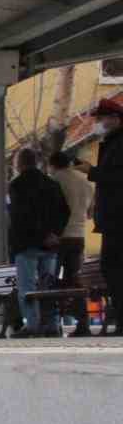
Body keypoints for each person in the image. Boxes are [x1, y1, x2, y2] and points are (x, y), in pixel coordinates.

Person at [7, 147, 70, 338]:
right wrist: (54, 234)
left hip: (27, 245)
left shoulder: (17, 185)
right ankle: (51, 325)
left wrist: (41, 234)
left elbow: (21, 215)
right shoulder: (51, 184)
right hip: (50, 246)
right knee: (48, 286)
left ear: (19, 164)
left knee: (27, 287)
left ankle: (32, 325)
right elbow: (64, 211)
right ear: (36, 162)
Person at [74, 98, 123, 331]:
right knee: (111, 268)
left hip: (118, 218)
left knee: (114, 267)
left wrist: (91, 171)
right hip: (113, 218)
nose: (98, 123)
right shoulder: (112, 142)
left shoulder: (119, 143)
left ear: (115, 119)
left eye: (101, 119)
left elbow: (116, 178)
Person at [50, 151, 94, 288]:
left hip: (58, 237)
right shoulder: (86, 181)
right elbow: (90, 214)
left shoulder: (54, 180)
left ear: (52, 165)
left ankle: (54, 308)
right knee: (74, 281)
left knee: (52, 281)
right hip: (79, 237)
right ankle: (77, 308)